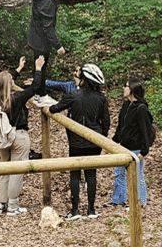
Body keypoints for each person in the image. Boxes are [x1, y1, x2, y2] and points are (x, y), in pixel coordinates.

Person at [47, 64, 110, 220]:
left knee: (75, 174)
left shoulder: (74, 95)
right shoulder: (101, 98)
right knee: (91, 174)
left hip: (76, 141)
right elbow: (106, 122)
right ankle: (91, 210)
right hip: (95, 141)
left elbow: (54, 109)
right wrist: (102, 137)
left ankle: (75, 211)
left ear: (84, 79)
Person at [0, 55, 45, 216]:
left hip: (3, 138)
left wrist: (18, 69)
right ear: (10, 85)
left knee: (5, 169)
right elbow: (35, 87)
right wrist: (38, 69)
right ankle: (13, 205)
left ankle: (1, 203)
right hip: (18, 136)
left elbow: (4, 81)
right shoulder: (16, 99)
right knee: (16, 171)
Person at [109, 78, 153, 209]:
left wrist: (144, 151)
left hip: (136, 149)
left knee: (137, 176)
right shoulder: (126, 106)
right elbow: (121, 127)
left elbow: (145, 131)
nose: (124, 88)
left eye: (126, 86)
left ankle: (140, 202)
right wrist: (113, 143)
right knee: (119, 174)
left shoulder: (141, 108)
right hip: (123, 147)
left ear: (132, 89)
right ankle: (118, 200)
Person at [27, 0, 66, 96]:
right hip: (41, 42)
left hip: (34, 36)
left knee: (38, 66)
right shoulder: (47, 4)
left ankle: (37, 90)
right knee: (41, 68)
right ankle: (39, 94)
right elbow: (48, 28)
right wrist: (58, 46)